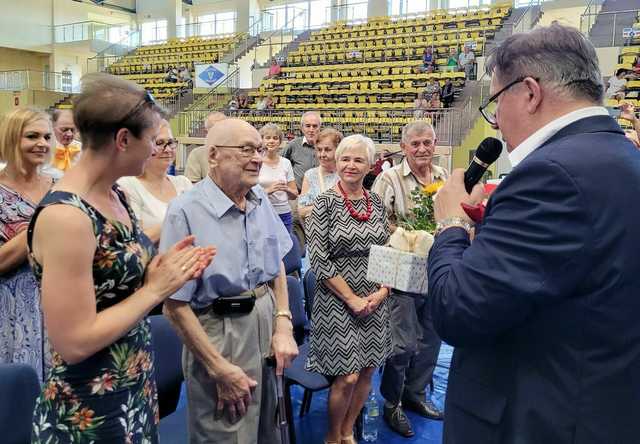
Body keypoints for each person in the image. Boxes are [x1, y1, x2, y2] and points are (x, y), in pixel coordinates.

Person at [429, 23, 640, 444]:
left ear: (529, 92)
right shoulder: (619, 157)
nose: (497, 122)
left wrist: (451, 223)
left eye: (495, 102)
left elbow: (458, 309)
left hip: (537, 417)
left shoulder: (551, 174)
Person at [28, 73, 214, 442]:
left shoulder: (116, 196)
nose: (157, 151)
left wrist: (157, 268)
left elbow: (114, 276)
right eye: (152, 140)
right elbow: (74, 341)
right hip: (88, 409)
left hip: (132, 388)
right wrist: (154, 290)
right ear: (123, 140)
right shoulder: (67, 217)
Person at [161, 118, 298, 444]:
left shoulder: (259, 199)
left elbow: (275, 260)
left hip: (266, 322)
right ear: (213, 156)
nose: (257, 158)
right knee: (228, 432)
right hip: (219, 333)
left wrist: (283, 322)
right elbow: (175, 305)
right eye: (246, 149)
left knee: (269, 431)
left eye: (260, 150)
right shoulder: (185, 211)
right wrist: (218, 368)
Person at [305, 134, 392, 444]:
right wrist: (352, 298)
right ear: (336, 162)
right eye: (345, 159)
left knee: (367, 371)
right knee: (348, 376)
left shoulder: (377, 203)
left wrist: (382, 291)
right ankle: (332, 436)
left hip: (374, 298)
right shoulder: (324, 205)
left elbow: (387, 252)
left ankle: (347, 432)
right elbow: (317, 258)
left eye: (358, 160)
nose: (350, 165)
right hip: (336, 300)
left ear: (370, 166)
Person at [371, 121, 447, 437]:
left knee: (431, 338)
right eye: (414, 144)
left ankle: (415, 395)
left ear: (435, 144)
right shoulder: (387, 179)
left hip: (437, 270)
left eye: (427, 143)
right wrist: (410, 236)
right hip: (401, 271)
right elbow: (375, 223)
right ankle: (392, 403)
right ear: (404, 147)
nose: (421, 149)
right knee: (401, 343)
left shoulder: (444, 178)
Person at [0, 107, 55, 382]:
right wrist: (44, 223)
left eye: (47, 136)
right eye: (32, 136)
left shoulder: (61, 186)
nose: (42, 143)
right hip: (13, 311)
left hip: (64, 302)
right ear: (11, 139)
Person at [118, 119, 192, 244]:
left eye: (170, 142)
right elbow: (136, 243)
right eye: (159, 143)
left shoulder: (183, 183)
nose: (168, 150)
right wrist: (178, 219)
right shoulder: (128, 186)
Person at [258, 123, 298, 232]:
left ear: (280, 142)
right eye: (268, 138)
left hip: (284, 214)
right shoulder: (256, 162)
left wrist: (286, 189)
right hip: (262, 213)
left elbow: (294, 195)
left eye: (275, 138)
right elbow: (249, 195)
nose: (271, 141)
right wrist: (268, 191)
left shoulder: (286, 163)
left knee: (285, 248)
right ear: (262, 141)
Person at [298, 128, 342, 220]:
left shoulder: (345, 174)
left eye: (327, 150)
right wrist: (326, 207)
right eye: (319, 150)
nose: (322, 154)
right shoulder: (310, 175)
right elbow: (301, 211)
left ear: (338, 150)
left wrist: (314, 207)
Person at [282, 111, 322, 190]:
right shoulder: (293, 145)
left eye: (315, 126)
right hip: (298, 196)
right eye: (308, 126)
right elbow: (281, 163)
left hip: (321, 195)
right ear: (302, 128)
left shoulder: (326, 146)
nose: (311, 129)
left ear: (319, 127)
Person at [184, 111, 227, 183]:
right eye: (216, 130)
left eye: (225, 129)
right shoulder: (197, 154)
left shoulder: (238, 152)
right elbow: (192, 186)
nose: (222, 133)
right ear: (206, 132)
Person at [49, 108, 82, 176]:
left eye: (73, 130)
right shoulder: (44, 149)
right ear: (52, 126)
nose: (69, 134)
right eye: (64, 129)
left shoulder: (82, 149)